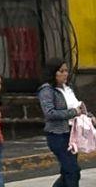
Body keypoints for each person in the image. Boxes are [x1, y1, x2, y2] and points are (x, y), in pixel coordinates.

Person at [40, 59, 87, 187]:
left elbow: (78, 106)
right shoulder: (47, 91)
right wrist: (72, 112)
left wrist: (89, 116)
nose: (65, 74)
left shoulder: (68, 88)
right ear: (53, 73)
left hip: (72, 134)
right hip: (58, 135)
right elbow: (49, 113)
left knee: (67, 171)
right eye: (61, 71)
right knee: (73, 171)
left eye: (66, 71)